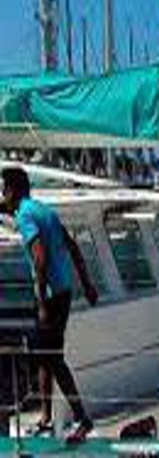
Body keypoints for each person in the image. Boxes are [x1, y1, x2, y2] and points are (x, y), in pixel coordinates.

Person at [2, 167, 98, 443]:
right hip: (63, 290)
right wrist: (88, 284)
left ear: (11, 191)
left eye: (3, 189)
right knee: (44, 353)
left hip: (51, 296)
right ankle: (45, 417)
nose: (2, 195)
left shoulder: (25, 216)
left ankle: (82, 418)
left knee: (52, 357)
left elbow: (40, 258)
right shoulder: (43, 210)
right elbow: (73, 247)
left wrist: (42, 301)